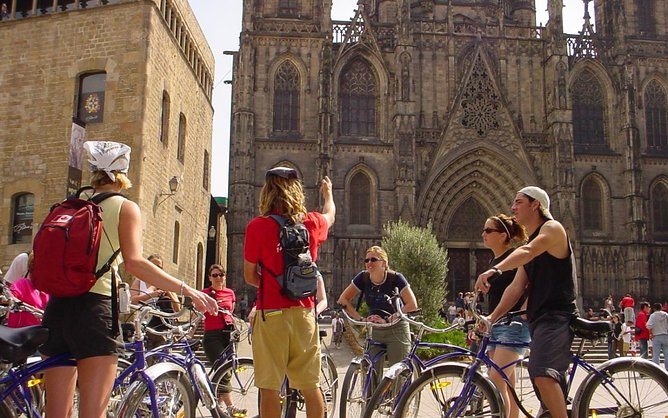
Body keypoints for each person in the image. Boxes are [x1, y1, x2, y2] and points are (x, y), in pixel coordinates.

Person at [39, 140, 218, 418]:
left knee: (56, 413)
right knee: (93, 412)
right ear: (123, 173)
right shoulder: (124, 207)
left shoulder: (74, 206)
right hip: (94, 312)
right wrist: (187, 289)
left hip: (57, 310)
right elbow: (135, 263)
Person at [475, 186, 577, 418]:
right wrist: (492, 317)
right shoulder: (533, 240)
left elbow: (529, 251)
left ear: (536, 205)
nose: (512, 208)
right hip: (538, 318)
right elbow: (515, 288)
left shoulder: (552, 229)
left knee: (541, 372)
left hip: (557, 315)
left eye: (518, 202)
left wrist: (495, 269)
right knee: (532, 376)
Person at [243, 166, 335, 418]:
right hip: (305, 313)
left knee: (269, 387)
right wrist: (328, 194)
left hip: (271, 314)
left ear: (267, 192)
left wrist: (275, 283)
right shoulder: (311, 222)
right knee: (310, 385)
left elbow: (250, 276)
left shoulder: (257, 227)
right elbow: (330, 215)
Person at [338, 246, 419, 384]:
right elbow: (343, 300)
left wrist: (389, 318)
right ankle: (371, 404)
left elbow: (412, 304)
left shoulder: (396, 278)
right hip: (374, 330)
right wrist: (361, 319)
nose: (369, 263)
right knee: (370, 373)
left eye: (373, 259)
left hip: (396, 329)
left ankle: (399, 403)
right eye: (367, 260)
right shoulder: (363, 278)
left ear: (384, 263)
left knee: (398, 374)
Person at [480, 214, 530, 418]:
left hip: (514, 324)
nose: (483, 234)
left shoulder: (515, 257)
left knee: (494, 382)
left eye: (488, 230)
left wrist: (525, 312)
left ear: (502, 236)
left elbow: (529, 283)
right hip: (499, 325)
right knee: (508, 385)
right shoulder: (495, 261)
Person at [200, 264, 245, 416]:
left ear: (225, 277)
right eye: (215, 275)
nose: (218, 278)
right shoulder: (204, 293)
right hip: (212, 336)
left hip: (229, 334)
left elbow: (231, 311)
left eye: (221, 275)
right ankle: (231, 407)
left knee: (228, 369)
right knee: (223, 370)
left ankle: (216, 403)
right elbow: (199, 312)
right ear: (209, 278)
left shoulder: (230, 293)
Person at [6, 252, 50, 328]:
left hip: (41, 334)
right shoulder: (23, 284)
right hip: (22, 334)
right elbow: (10, 293)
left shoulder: (48, 290)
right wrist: (13, 300)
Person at [646, 302, 668, 370]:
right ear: (661, 308)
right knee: (667, 354)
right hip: (665, 335)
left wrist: (653, 328)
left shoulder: (653, 315)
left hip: (656, 336)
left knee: (656, 355)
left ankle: (656, 369)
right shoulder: (666, 315)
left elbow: (648, 326)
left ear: (654, 308)